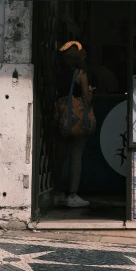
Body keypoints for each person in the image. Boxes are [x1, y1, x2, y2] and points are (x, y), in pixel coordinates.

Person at [53, 41, 94, 208]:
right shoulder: (80, 73)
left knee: (60, 156)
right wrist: (90, 90)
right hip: (76, 121)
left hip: (63, 118)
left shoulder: (59, 73)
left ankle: (56, 192)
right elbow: (87, 98)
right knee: (76, 155)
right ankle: (72, 195)